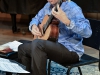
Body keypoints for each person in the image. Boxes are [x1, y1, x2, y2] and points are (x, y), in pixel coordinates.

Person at [18, 0, 92, 75]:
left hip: (71, 50)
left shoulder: (72, 8)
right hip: (53, 45)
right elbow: (36, 18)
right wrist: (33, 26)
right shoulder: (48, 6)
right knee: (22, 48)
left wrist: (67, 21)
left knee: (37, 44)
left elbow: (88, 32)